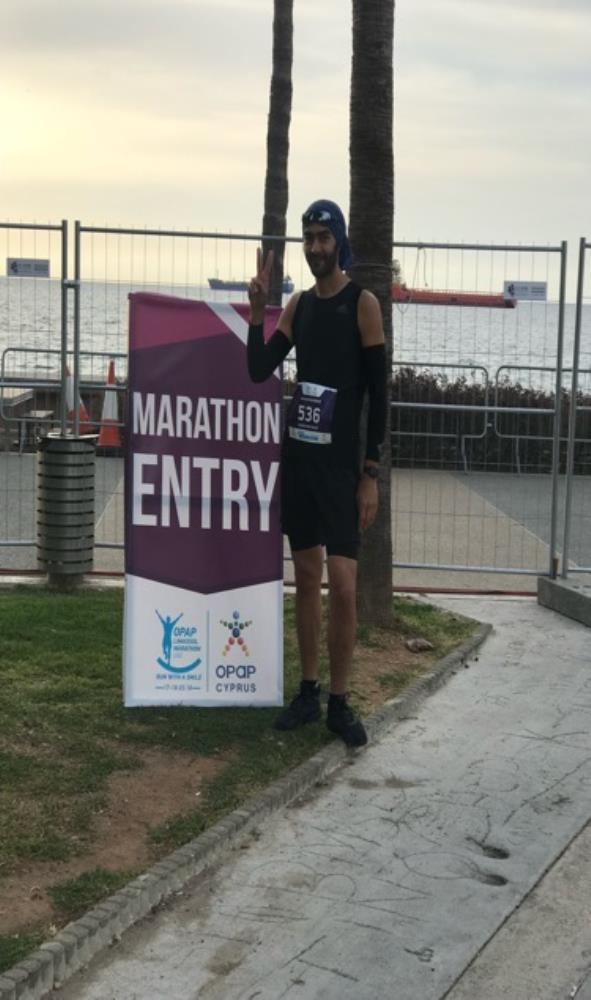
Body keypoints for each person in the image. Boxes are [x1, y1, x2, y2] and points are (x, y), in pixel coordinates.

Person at [247, 199, 387, 747]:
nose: (315, 248)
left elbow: (379, 395)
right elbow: (259, 369)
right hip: (301, 462)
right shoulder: (299, 306)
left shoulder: (362, 304)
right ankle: (308, 692)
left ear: (339, 241)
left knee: (344, 587)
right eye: (308, 239)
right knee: (306, 579)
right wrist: (256, 313)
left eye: (323, 238)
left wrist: (370, 473)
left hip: (342, 471)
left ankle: (340, 702)